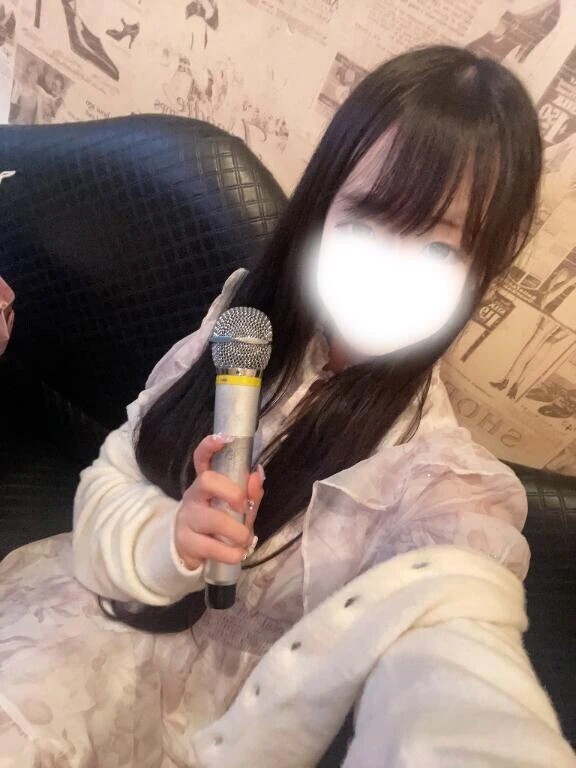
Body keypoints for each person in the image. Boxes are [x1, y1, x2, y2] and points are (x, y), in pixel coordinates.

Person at [1, 45, 572, 766]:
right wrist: (173, 540)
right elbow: (113, 476)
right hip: (80, 621)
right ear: (320, 211)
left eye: (437, 251)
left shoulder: (440, 483)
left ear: (481, 270)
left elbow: (456, 643)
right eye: (363, 223)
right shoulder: (242, 321)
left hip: (205, 728)